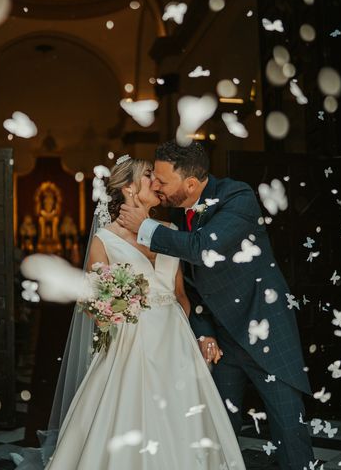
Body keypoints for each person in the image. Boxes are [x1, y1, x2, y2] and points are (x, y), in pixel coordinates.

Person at [117, 141, 315, 469]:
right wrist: (205, 331)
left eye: (162, 182)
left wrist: (144, 227)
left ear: (190, 184)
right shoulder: (175, 217)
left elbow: (203, 248)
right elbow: (191, 287)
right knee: (217, 431)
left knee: (289, 429)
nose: (155, 186)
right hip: (221, 344)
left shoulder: (238, 197)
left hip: (263, 331)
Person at [45, 156, 245, 470]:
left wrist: (194, 337)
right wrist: (115, 308)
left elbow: (180, 295)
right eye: (149, 175)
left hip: (175, 343)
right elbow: (94, 307)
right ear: (128, 188)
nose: (157, 181)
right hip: (130, 346)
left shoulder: (169, 230)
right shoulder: (105, 241)